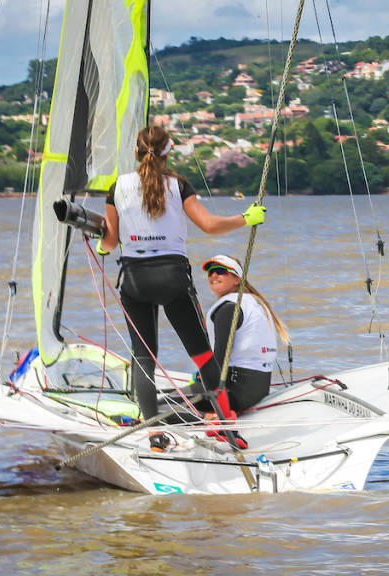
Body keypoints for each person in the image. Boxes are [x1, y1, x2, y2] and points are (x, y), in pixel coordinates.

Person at [96, 125, 265, 453]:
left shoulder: (117, 187)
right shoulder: (178, 184)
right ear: (168, 151)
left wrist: (102, 246)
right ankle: (226, 429)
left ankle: (154, 435)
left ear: (136, 151)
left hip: (135, 281)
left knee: (144, 358)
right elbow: (209, 225)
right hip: (173, 278)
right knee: (203, 355)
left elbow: (111, 241)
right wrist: (246, 218)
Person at [200, 254, 290, 415]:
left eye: (220, 271)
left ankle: (210, 417)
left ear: (237, 279)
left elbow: (220, 358)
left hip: (234, 393)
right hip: (258, 389)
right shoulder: (254, 302)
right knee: (176, 396)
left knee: (161, 406)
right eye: (210, 272)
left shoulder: (228, 308)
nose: (214, 275)